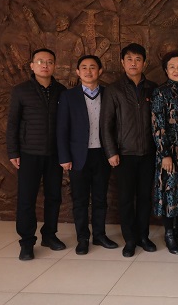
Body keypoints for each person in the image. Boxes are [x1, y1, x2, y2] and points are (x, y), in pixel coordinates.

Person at [6, 48, 66, 261]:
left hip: (54, 154)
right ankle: (26, 242)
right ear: (32, 66)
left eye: (49, 62)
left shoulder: (61, 90)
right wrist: (13, 151)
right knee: (26, 199)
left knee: (54, 197)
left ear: (54, 66)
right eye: (40, 61)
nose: (45, 65)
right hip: (28, 153)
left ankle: (49, 235)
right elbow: (13, 123)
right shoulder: (21, 90)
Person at [100, 43, 158, 258]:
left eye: (138, 59)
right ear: (122, 62)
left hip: (148, 153)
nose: (134, 63)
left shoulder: (152, 88)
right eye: (129, 59)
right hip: (124, 154)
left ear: (144, 63)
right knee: (125, 199)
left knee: (144, 198)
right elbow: (106, 125)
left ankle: (143, 236)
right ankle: (130, 240)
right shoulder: (114, 90)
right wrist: (111, 152)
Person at [57, 55, 119, 255]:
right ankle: (82, 238)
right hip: (78, 156)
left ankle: (99, 235)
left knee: (100, 198)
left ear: (100, 71)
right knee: (80, 200)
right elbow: (62, 128)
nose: (88, 71)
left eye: (93, 67)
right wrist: (64, 157)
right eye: (84, 67)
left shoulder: (108, 93)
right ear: (78, 72)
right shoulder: (68, 96)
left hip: (102, 154)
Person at [151, 50, 178, 255]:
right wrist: (164, 154)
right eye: (172, 67)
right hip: (169, 151)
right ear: (166, 70)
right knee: (169, 191)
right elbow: (158, 125)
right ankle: (169, 233)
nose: (177, 70)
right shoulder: (161, 92)